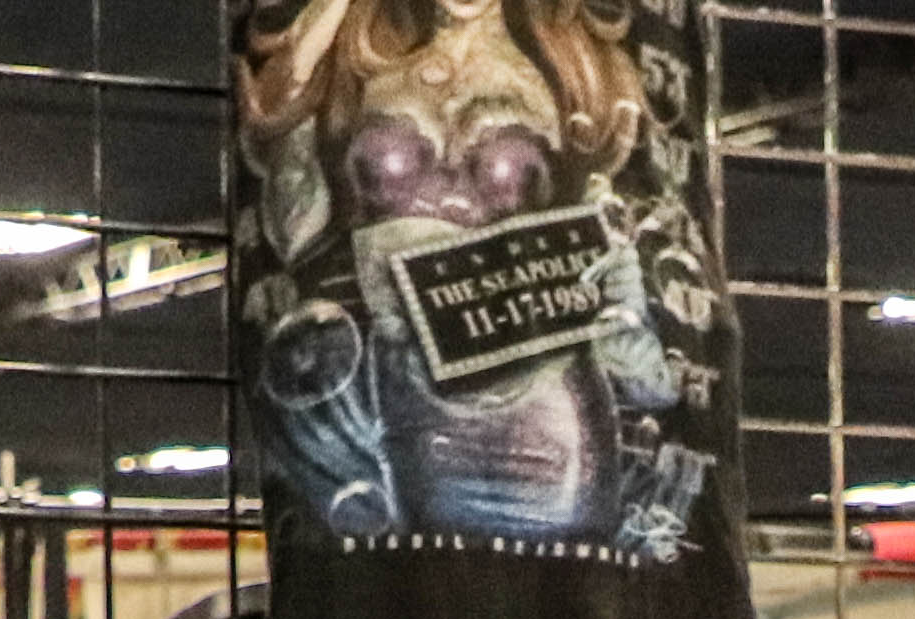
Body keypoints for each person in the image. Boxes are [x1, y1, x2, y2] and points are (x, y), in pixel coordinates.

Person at [240, 0, 684, 550]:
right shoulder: (352, 61)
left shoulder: (574, 70)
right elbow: (291, 222)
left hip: (551, 414)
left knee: (564, 589)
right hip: (403, 402)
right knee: (418, 581)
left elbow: (613, 243)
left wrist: (632, 343)